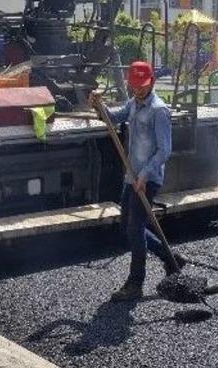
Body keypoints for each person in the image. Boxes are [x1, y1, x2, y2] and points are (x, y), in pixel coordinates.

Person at [91, 61, 184, 302]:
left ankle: (135, 283)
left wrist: (145, 174)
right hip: (132, 177)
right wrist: (99, 105)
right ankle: (169, 257)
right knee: (127, 225)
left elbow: (165, 150)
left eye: (142, 85)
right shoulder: (133, 103)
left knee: (135, 227)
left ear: (152, 81)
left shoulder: (158, 110)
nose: (138, 89)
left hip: (148, 178)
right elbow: (113, 118)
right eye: (134, 85)